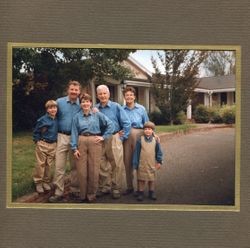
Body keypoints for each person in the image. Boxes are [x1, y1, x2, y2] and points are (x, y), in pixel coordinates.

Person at [70, 93, 114, 203]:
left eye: (87, 101)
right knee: (81, 171)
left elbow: (110, 125)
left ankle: (91, 195)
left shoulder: (97, 114)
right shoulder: (77, 117)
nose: (85, 103)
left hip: (95, 141)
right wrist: (74, 148)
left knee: (94, 169)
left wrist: (103, 137)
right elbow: (74, 133)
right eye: (83, 101)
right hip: (81, 141)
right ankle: (82, 195)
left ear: (91, 103)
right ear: (81, 104)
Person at [95, 84, 131, 199]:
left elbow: (126, 123)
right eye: (100, 94)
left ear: (109, 94)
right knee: (102, 164)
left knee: (116, 164)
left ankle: (116, 188)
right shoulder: (95, 108)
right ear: (97, 95)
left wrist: (121, 137)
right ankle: (105, 187)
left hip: (114, 137)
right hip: (100, 139)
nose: (102, 95)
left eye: (104, 93)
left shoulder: (116, 107)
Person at [49, 80, 81, 203]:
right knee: (59, 166)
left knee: (75, 166)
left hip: (76, 138)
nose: (74, 92)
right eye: (72, 89)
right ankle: (58, 192)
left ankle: (75, 190)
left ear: (79, 91)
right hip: (62, 136)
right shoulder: (59, 102)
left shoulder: (82, 104)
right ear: (68, 90)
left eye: (76, 90)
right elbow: (52, 117)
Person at [122, 86, 149, 195]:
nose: (129, 97)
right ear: (124, 97)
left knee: (139, 161)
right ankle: (129, 187)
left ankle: (140, 188)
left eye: (131, 95)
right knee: (127, 162)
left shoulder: (141, 109)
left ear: (134, 96)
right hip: (126, 137)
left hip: (139, 134)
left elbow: (147, 124)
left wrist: (153, 135)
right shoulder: (121, 109)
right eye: (127, 95)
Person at [132, 121, 163, 201]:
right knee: (141, 179)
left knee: (151, 179)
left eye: (149, 129)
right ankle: (140, 192)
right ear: (143, 130)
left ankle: (151, 192)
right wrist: (135, 163)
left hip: (151, 163)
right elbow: (136, 152)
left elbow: (159, 151)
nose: (147, 131)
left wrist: (159, 161)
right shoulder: (140, 140)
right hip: (141, 164)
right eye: (145, 129)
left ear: (153, 131)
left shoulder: (155, 140)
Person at [33, 100, 58, 193]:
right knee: (41, 164)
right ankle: (38, 182)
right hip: (43, 144)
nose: (53, 110)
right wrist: (37, 141)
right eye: (50, 108)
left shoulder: (57, 119)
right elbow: (36, 131)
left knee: (49, 165)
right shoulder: (42, 120)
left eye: (54, 107)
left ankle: (46, 181)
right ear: (47, 110)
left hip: (53, 145)